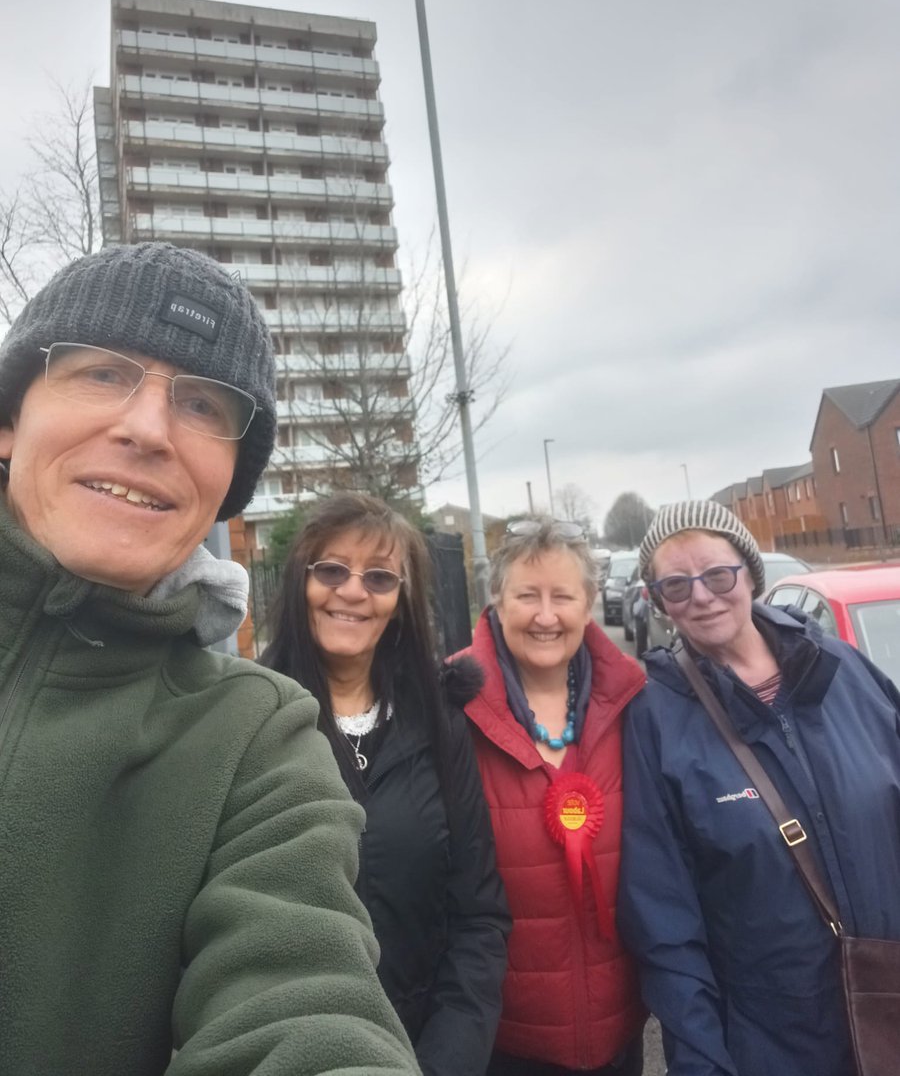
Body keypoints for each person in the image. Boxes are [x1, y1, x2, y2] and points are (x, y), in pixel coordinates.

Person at [0, 242, 420, 1076]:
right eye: (103, 374)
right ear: (10, 421)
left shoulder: (256, 741)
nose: (148, 428)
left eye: (201, 404)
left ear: (228, 482)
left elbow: (303, 1006)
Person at [618, 500, 900, 1076]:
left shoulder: (846, 674)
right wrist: (702, 1060)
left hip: (888, 1009)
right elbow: (664, 918)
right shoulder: (654, 718)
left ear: (749, 574)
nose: (701, 596)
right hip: (768, 1044)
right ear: (660, 601)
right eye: (676, 585)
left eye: (718, 575)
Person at [262, 492, 511, 1076]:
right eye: (331, 570)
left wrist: (447, 1062)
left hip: (425, 1048)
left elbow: (479, 916)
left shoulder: (440, 722)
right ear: (302, 583)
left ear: (399, 602)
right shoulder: (252, 718)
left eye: (379, 578)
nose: (353, 591)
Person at [458, 518, 646, 1076]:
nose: (545, 616)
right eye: (526, 596)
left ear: (588, 605)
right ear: (495, 600)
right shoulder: (450, 711)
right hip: (502, 1040)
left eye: (563, 596)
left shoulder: (636, 705)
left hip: (620, 1033)